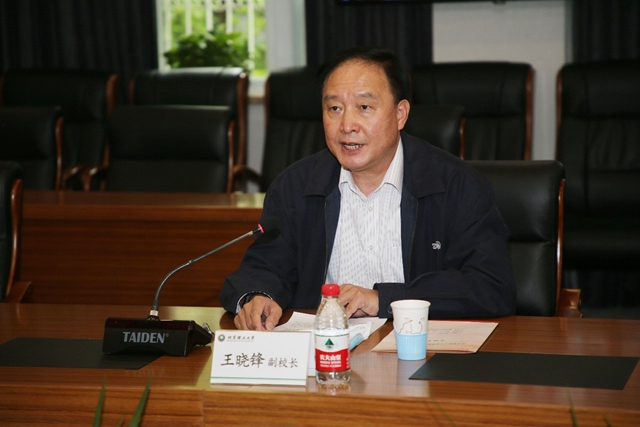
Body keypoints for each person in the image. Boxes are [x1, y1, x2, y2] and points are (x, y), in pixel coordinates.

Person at [220, 47, 516, 330]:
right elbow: (264, 265)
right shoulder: (294, 186)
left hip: (419, 350)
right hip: (326, 352)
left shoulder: (457, 185)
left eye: (364, 107)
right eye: (334, 108)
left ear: (400, 114)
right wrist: (257, 296)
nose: (347, 125)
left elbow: (490, 285)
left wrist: (383, 299)